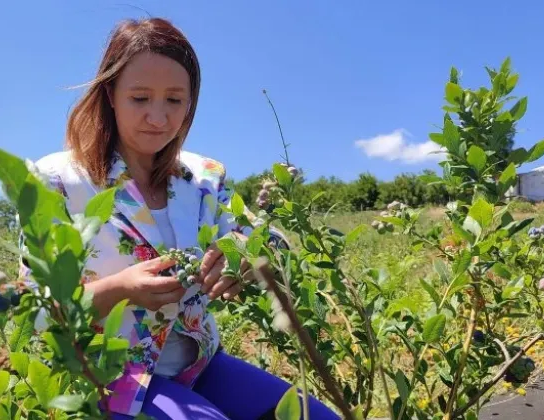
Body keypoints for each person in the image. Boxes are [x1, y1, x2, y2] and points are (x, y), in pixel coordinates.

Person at [19, 18, 337, 420]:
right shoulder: (58, 181)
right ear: (110, 95)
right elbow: (32, 306)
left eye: (174, 99)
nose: (158, 117)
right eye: (140, 98)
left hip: (199, 365)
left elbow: (267, 241)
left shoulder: (203, 176)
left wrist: (242, 258)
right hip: (105, 372)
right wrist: (119, 288)